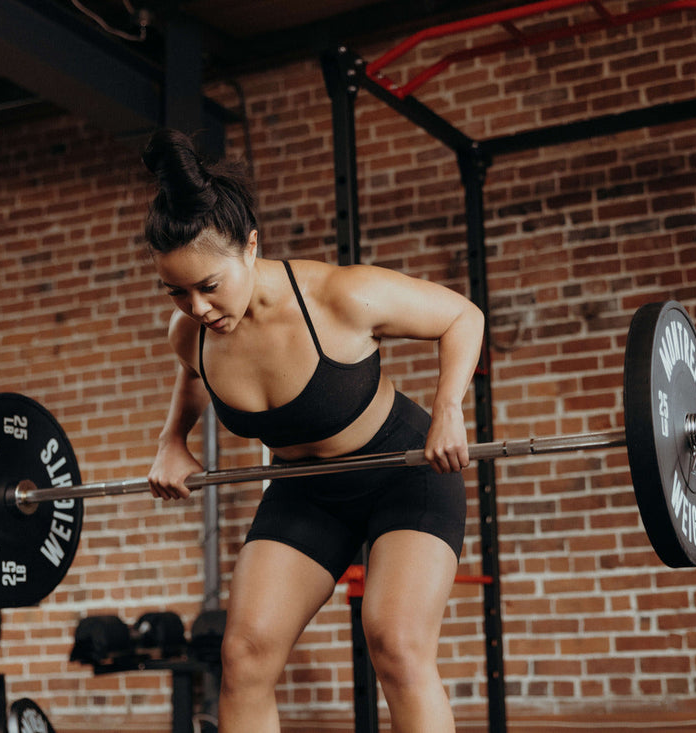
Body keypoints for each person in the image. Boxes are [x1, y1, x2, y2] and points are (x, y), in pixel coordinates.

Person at [142, 128, 484, 733]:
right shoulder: (192, 334)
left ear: (250, 247)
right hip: (304, 491)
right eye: (178, 292)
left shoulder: (339, 297)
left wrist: (449, 406)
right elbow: (194, 376)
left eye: (209, 287)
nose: (196, 307)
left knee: (396, 643)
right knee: (244, 655)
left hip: (402, 471)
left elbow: (462, 316)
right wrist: (174, 441)